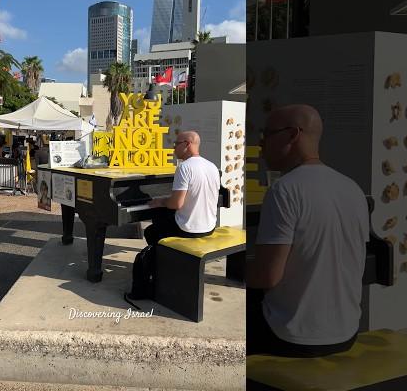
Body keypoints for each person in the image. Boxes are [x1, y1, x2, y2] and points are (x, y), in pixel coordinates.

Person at [246, 104, 369, 357]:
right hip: (348, 332)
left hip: (290, 336)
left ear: (292, 135)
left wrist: (231, 269)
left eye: (267, 134)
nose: (261, 144)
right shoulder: (353, 189)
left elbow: (267, 277)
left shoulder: (285, 190)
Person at [145, 130, 220, 244]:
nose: (174, 148)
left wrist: (160, 201)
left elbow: (176, 204)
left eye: (176, 144)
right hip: (210, 227)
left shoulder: (184, 167)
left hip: (188, 230)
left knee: (151, 230)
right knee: (167, 215)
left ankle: (165, 259)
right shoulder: (212, 166)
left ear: (187, 144)